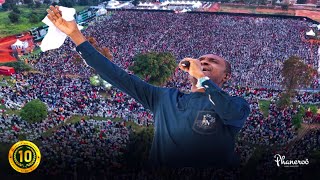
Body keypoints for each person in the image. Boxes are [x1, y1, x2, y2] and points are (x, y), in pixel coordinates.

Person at [46, 5, 250, 168]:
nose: (203, 62)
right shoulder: (164, 99)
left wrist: (201, 78)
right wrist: (76, 36)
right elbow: (116, 75)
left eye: (212, 61)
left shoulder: (237, 105)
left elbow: (228, 110)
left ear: (226, 77)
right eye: (201, 59)